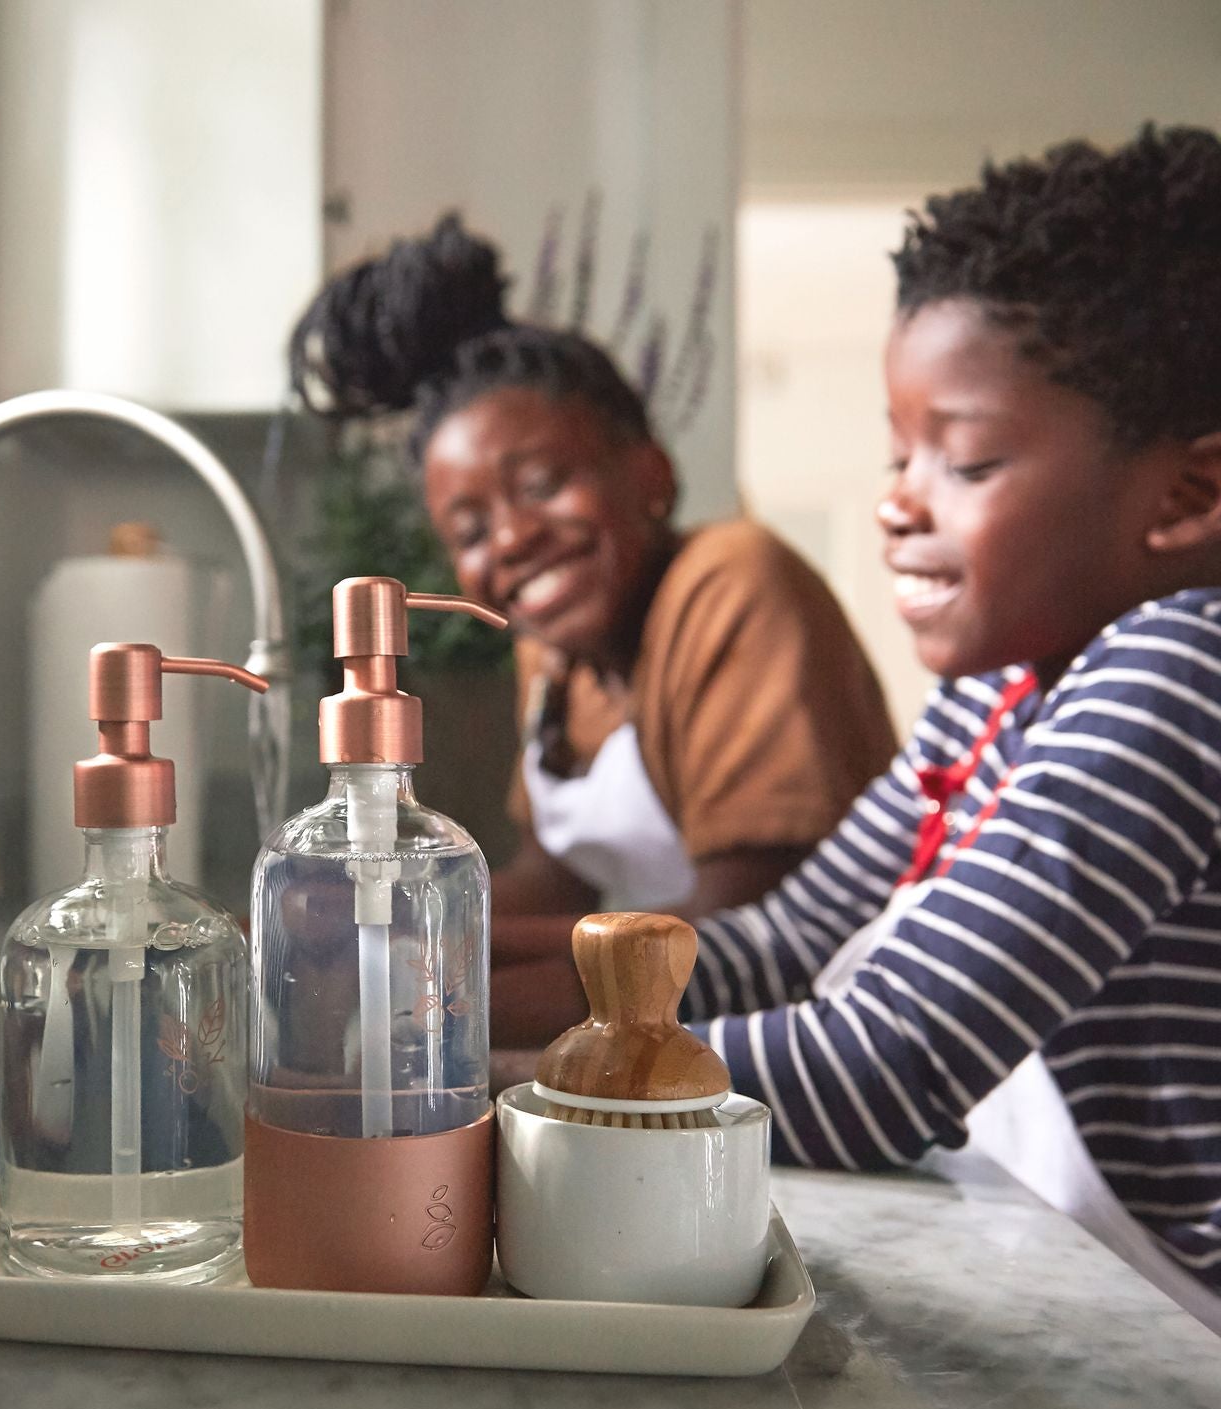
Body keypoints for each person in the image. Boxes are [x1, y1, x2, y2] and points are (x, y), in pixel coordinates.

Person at [683, 126, 1221, 1327]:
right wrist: (436, 972)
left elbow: (886, 1067)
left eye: (965, 460)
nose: (895, 499)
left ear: (1188, 496)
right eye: (897, 450)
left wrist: (468, 1080)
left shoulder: (1184, 664)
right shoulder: (1000, 692)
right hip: (1099, 1293)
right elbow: (774, 946)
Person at [289, 216, 896, 1040]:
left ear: (651, 475)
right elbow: (559, 876)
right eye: (468, 531)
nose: (509, 540)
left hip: (804, 1052)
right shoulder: (554, 654)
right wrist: (381, 919)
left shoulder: (730, 584)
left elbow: (738, 934)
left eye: (541, 484)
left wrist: (430, 981)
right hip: (667, 1035)